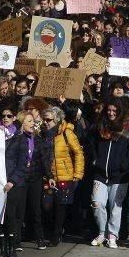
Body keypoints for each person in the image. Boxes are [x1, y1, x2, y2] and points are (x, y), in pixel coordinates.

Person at [87, 98, 129, 248]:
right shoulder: (99, 126)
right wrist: (95, 158)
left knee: (115, 207)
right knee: (97, 203)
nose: (111, 113)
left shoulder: (128, 127)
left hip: (119, 175)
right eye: (109, 110)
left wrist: (125, 164)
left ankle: (112, 235)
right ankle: (102, 232)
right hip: (100, 174)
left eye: (114, 111)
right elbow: (90, 143)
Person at [1, 110, 48, 257]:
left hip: (18, 181)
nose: (32, 123)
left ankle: (13, 246)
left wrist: (12, 181)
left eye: (32, 120)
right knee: (4, 216)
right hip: (3, 181)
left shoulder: (25, 140)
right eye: (28, 121)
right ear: (21, 123)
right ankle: (5, 248)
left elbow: (23, 162)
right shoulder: (8, 136)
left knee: (15, 213)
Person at [42, 104, 85, 247]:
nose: (45, 122)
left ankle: (57, 233)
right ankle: (53, 230)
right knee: (47, 205)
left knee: (60, 206)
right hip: (49, 176)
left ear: (57, 120)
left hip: (65, 176)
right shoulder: (42, 134)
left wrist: (77, 174)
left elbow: (78, 152)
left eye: (49, 120)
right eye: (44, 119)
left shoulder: (67, 133)